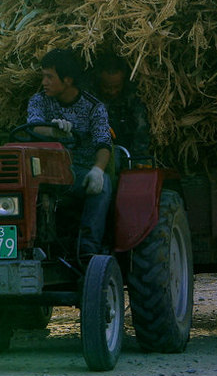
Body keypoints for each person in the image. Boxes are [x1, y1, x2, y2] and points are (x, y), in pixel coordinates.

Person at [26, 48, 113, 263]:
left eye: (49, 77)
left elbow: (103, 142)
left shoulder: (94, 107)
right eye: (43, 76)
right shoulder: (39, 101)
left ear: (67, 80)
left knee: (103, 187)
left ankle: (88, 250)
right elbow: (34, 126)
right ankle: (27, 244)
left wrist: (97, 171)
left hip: (78, 171)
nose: (44, 82)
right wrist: (53, 130)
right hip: (45, 171)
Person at [90, 53, 152, 165]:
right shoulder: (90, 97)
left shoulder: (132, 96)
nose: (112, 92)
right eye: (107, 87)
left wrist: (138, 161)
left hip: (128, 150)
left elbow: (141, 131)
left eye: (117, 87)